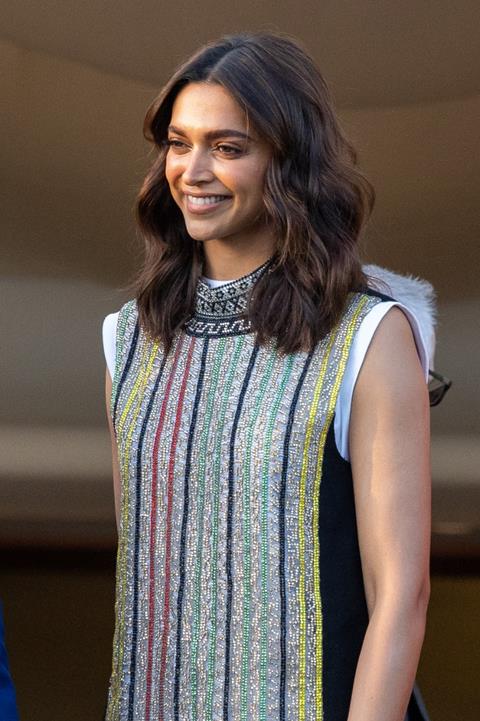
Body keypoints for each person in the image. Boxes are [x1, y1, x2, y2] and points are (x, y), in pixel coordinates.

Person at [102, 32, 434, 721]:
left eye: (227, 147)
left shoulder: (368, 335)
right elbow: (146, 573)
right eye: (177, 141)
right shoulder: (126, 339)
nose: (192, 169)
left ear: (290, 161)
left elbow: (403, 595)